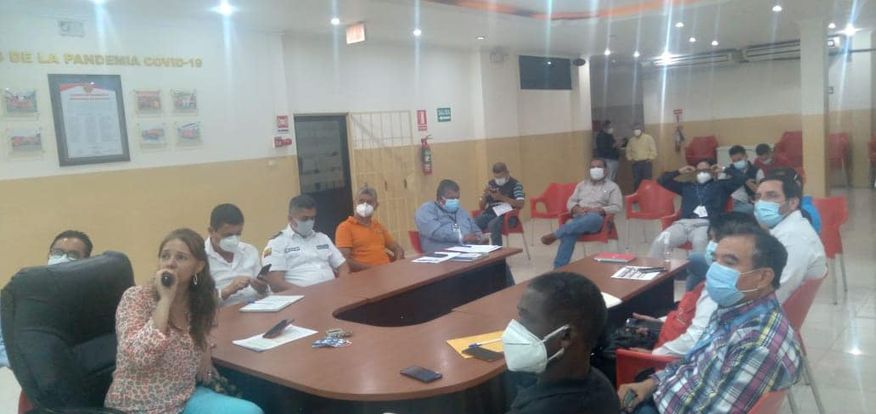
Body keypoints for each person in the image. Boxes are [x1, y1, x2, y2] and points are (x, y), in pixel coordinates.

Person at [618, 227, 801, 413]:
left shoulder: (757, 346)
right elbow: (693, 361)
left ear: (762, 277)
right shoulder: (734, 310)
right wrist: (650, 384)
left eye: (729, 262)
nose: (714, 270)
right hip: (669, 396)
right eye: (715, 260)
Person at [105, 228, 263, 414]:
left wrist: (204, 351)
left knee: (250, 410)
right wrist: (165, 300)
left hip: (183, 397)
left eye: (181, 258)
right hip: (138, 406)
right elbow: (141, 357)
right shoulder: (135, 297)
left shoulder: (198, 300)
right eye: (165, 256)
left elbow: (200, 334)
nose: (170, 263)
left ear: (198, 267)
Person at [627, 213, 760, 358]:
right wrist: (660, 323)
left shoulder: (720, 289)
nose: (711, 246)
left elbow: (695, 339)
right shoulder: (714, 279)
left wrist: (654, 355)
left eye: (716, 240)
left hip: (667, 358)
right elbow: (690, 317)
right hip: (670, 335)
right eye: (710, 239)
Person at [503, 272, 620, 414]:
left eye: (527, 318)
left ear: (566, 336)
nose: (516, 327)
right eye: (520, 315)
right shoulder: (598, 382)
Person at [1, 230, 94, 368]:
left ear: (85, 262)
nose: (62, 258)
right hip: (15, 370)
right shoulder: (20, 288)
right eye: (57, 252)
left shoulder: (90, 301)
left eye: (73, 255)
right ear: (49, 255)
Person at [648, 159, 746, 257]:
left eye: (705, 170)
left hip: (706, 224)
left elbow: (742, 178)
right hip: (683, 224)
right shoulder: (686, 186)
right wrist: (679, 171)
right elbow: (662, 180)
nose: (702, 173)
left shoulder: (721, 186)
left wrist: (724, 169)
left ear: (712, 171)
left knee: (700, 243)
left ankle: (699, 267)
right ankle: (653, 266)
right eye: (699, 171)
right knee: (660, 241)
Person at [754, 175, 827, 302]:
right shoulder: (786, 227)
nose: (762, 203)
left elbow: (780, 289)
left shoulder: (794, 237)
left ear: (792, 203)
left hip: (770, 307)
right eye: (758, 197)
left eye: (771, 196)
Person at [540, 159, 622, 269]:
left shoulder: (612, 187)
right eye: (592, 167)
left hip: (597, 219)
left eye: (598, 167)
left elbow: (617, 206)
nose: (595, 169)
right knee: (569, 233)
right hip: (579, 216)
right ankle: (559, 269)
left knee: (589, 219)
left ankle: (556, 234)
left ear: (606, 170)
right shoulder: (582, 185)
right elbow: (571, 201)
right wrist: (576, 208)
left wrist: (599, 210)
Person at [262, 195, 349, 290]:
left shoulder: (322, 238)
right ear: (290, 219)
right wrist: (306, 293)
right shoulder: (277, 243)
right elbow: (275, 283)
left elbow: (343, 266)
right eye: (304, 219)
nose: (309, 222)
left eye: (312, 218)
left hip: (332, 292)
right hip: (301, 296)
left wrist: (341, 286)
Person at [204, 204, 269, 306]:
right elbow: (198, 304)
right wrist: (228, 290)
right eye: (228, 235)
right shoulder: (199, 258)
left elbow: (265, 293)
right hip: (223, 312)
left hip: (256, 308)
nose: (234, 240)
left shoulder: (249, 251)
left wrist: (262, 289)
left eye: (238, 234)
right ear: (211, 231)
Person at [335, 186, 405, 271]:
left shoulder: (378, 226)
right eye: (361, 201)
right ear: (355, 203)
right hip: (364, 274)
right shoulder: (345, 227)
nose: (365, 205)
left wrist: (398, 262)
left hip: (386, 271)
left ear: (376, 206)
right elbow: (343, 260)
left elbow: (397, 248)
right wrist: (373, 269)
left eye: (369, 202)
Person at [415, 179, 484, 252]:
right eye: (452, 198)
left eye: (457, 198)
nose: (455, 201)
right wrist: (462, 237)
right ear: (440, 198)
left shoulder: (461, 211)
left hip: (469, 250)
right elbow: (435, 232)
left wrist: (479, 238)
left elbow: (475, 229)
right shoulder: (427, 210)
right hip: (442, 253)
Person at [475, 162, 525, 246]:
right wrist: (484, 195)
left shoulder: (515, 185)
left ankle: (498, 252)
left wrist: (501, 197)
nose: (498, 180)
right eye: (496, 177)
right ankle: (481, 250)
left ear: (507, 173)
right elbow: (481, 207)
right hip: (491, 213)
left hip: (508, 216)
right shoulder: (490, 184)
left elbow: (521, 204)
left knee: (493, 224)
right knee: (474, 223)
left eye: (501, 177)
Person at [725, 145, 759, 214]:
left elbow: (760, 191)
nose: (737, 163)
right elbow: (718, 187)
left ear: (746, 156)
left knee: (752, 209)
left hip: (745, 202)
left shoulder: (757, 171)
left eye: (739, 159)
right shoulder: (728, 171)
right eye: (734, 161)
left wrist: (744, 179)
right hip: (728, 201)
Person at [626, 124, 657, 191]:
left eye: (637, 129)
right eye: (634, 129)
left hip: (646, 163)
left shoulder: (648, 138)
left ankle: (648, 195)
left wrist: (650, 158)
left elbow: (653, 150)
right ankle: (637, 195)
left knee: (647, 180)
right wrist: (630, 159)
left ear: (641, 130)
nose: (636, 131)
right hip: (636, 163)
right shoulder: (631, 140)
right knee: (636, 181)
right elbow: (628, 151)